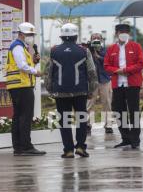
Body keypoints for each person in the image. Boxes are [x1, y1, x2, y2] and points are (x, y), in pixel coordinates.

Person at [45, 23, 98, 158]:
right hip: (80, 91)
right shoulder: (84, 51)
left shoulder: (54, 51)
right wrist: (91, 90)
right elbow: (92, 72)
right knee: (81, 119)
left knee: (64, 121)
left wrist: (50, 89)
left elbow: (48, 72)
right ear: (75, 36)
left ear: (61, 36)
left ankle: (68, 150)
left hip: (60, 92)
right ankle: (80, 147)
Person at [6, 22, 46, 156]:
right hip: (21, 86)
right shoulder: (17, 46)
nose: (31, 37)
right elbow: (21, 65)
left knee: (18, 117)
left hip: (19, 86)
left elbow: (24, 64)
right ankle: (26, 146)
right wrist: (36, 71)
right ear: (21, 34)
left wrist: (34, 61)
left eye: (32, 35)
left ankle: (18, 147)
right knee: (25, 117)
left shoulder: (22, 47)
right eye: (29, 34)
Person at [104, 23, 143, 149]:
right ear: (116, 34)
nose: (123, 34)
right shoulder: (111, 49)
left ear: (129, 34)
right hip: (118, 84)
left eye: (125, 32)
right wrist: (117, 71)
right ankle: (125, 138)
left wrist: (127, 70)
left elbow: (141, 63)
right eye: (120, 32)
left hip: (132, 83)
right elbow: (106, 65)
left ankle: (135, 139)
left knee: (134, 111)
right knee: (118, 111)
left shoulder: (136, 46)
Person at [86, 33, 114, 134]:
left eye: (98, 38)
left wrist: (98, 55)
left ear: (102, 40)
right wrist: (91, 52)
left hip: (105, 80)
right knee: (90, 103)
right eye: (94, 38)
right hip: (92, 81)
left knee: (107, 102)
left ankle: (108, 125)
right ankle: (88, 124)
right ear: (90, 40)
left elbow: (109, 62)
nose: (96, 40)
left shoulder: (106, 50)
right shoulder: (87, 50)